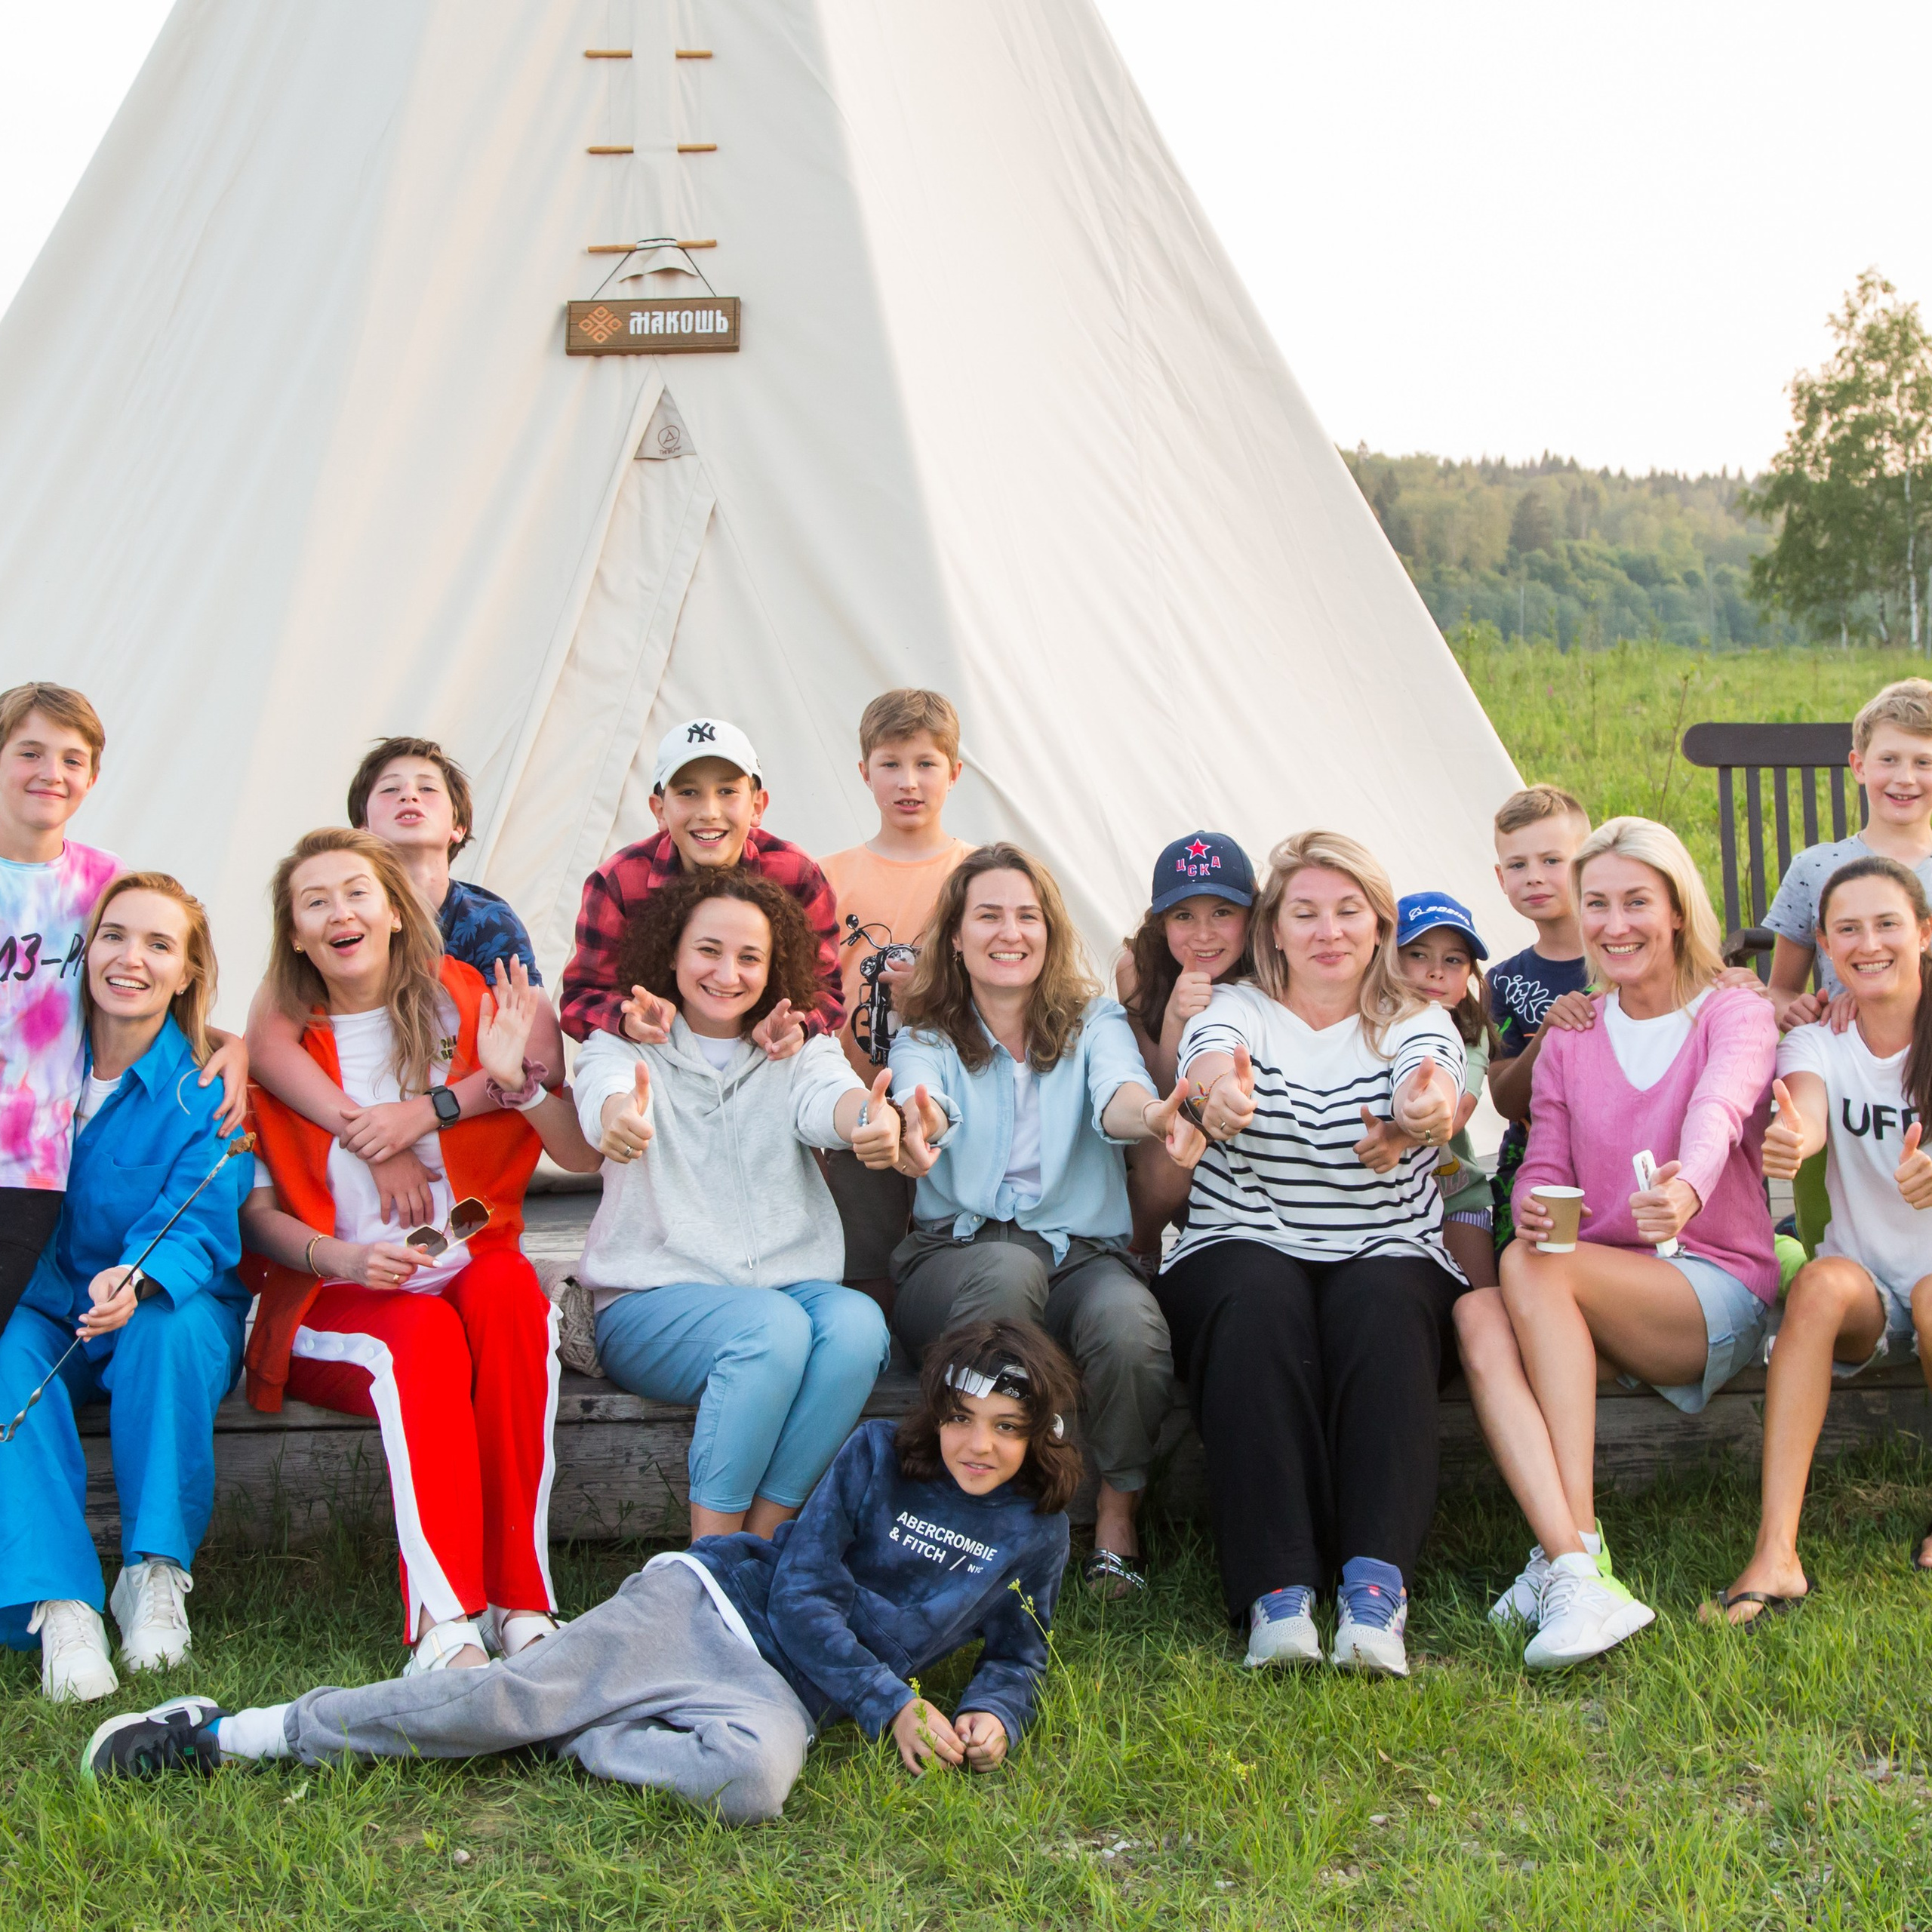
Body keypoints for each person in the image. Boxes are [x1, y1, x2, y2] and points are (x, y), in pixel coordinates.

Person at [83, 1321, 1078, 1829]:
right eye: (960, 1419)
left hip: (783, 1698)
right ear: (936, 1415)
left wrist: (1000, 1712)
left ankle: (570, 1724)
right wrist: (891, 1705)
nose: (976, 1444)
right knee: (497, 1703)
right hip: (716, 1611)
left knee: (749, 1790)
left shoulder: (1035, 1528)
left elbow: (1018, 1652)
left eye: (1003, 1427)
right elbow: (801, 1592)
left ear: (1036, 1435)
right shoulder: (875, 1457)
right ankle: (235, 1735)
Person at [239, 829, 601, 1674]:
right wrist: (343, 1258)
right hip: (339, 1292)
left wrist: (521, 1080)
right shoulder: (284, 1044)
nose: (341, 912)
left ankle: (522, 1600)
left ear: (395, 912)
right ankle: (444, 1622)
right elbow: (256, 1220)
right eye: (315, 901)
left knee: (514, 1297)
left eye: (358, 892)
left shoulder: (464, 999)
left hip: (465, 1261)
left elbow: (580, 1154)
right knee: (420, 1338)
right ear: (294, 934)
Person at [1457, 816, 1777, 1669]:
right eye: (1595, 903)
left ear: (1676, 910)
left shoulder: (1734, 1006)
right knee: (1479, 1314)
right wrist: (1530, 1202)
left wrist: (1683, 1188)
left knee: (1528, 1271)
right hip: (1587, 1282)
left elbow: (1720, 1107)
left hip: (1709, 1286)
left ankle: (1576, 1549)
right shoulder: (1574, 1032)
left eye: (1637, 901)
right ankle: (1569, 1560)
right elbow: (1547, 1156)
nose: (1615, 923)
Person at [1153, 831, 1465, 1677]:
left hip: (1385, 1241)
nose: (1328, 930)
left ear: (1377, 925)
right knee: (1255, 1297)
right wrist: (1221, 1095)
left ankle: (1374, 1589)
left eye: (1347, 911)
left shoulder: (1415, 1018)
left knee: (1383, 1303)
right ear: (1275, 931)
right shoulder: (1238, 1008)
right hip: (1240, 1236)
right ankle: (1277, 1591)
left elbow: (1428, 1080)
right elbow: (1211, 1060)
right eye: (1305, 913)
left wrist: (1420, 1112)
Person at [887, 843, 1204, 1596]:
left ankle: (1116, 1518)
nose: (1010, 931)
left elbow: (1119, 1093)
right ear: (956, 937)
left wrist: (1154, 1113)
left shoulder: (1094, 1020)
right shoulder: (926, 1033)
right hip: (955, 1257)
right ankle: (986, 1519)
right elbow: (923, 1099)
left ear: (1051, 931)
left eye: (1027, 915)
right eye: (988, 914)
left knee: (1129, 1325)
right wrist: (919, 1121)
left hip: (1078, 1255)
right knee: (1006, 1267)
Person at [571, 869, 897, 1540]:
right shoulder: (624, 1044)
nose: (728, 972)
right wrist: (615, 1119)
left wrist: (866, 1118)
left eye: (750, 957)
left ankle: (763, 1542)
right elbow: (602, 1092)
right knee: (769, 1330)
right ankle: (710, 1557)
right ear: (672, 954)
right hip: (651, 1300)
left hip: (783, 1290)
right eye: (708, 951)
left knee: (860, 1327)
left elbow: (826, 1101)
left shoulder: (796, 1046)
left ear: (775, 968)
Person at [0, 874, 254, 1702]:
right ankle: (61, 1598)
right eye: (113, 935)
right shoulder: (30, 1065)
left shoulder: (204, 1089)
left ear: (186, 972)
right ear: (85, 949)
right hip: (47, 1301)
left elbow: (206, 1212)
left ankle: (152, 1571)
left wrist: (139, 1273)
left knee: (165, 1331)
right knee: (6, 1355)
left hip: (169, 1303)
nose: (130, 958)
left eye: (158, 944)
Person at [1712, 857, 1932, 1619]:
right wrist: (1793, 1136)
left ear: (1924, 933)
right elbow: (1799, 1107)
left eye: (1886, 924)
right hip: (1866, 1288)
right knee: (1815, 1282)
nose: (1868, 943)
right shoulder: (1821, 1039)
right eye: (1847, 929)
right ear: (1826, 948)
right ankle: (1775, 1551)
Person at [245, 737, 568, 1232]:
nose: (409, 797)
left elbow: (542, 1053)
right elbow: (268, 1045)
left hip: (463, 1162)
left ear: (459, 826)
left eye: (427, 789)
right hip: (353, 1172)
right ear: (361, 831)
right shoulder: (331, 919)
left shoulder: (484, 922)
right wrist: (374, 1141)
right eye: (390, 790)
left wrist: (425, 1114)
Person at [0, 683, 245, 1329]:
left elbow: (144, 985)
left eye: (71, 759)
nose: (51, 773)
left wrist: (232, 1045)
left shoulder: (99, 880)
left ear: (92, 776)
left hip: (28, 1170)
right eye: (29, 752)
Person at [819, 690, 973, 1312]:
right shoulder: (826, 877)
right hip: (859, 1106)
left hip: (959, 1105)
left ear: (954, 772)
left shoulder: (978, 874)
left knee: (953, 1254)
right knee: (866, 1260)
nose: (908, 782)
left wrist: (933, 992)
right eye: (890, 764)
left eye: (926, 763)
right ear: (864, 772)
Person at [559, 718, 842, 1051]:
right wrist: (626, 1017)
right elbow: (581, 997)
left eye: (727, 792)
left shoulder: (798, 876)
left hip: (765, 1060)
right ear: (660, 810)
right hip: (654, 1058)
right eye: (688, 793)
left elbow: (827, 993)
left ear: (757, 806)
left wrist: (797, 1026)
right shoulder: (618, 882)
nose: (709, 811)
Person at [1115, 832, 1257, 1262]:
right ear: (1160, 921)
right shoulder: (1139, 966)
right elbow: (1157, 1096)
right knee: (1171, 1150)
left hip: (1257, 1133)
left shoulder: (1277, 961)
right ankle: (1138, 1251)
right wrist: (1175, 1018)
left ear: (1252, 916)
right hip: (1174, 1125)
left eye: (1222, 912)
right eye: (1183, 916)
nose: (1203, 935)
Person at [1764, 679, 1932, 1032]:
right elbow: (1781, 989)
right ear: (1859, 766)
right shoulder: (1815, 867)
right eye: (1889, 760)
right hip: (1843, 1056)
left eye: (1924, 762)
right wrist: (1792, 1010)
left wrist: (1876, 996)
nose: (1905, 778)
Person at [1484, 785, 1595, 1252]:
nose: (1533, 877)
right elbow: (1506, 1101)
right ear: (1500, 876)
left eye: (1552, 861)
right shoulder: (1503, 981)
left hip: (1621, 1157)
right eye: (1517, 865)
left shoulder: (1627, 960)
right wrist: (1545, 1036)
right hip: (1530, 1162)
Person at [1391, 892, 1500, 1290]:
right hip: (1378, 1204)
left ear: (1470, 973)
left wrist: (1394, 1134)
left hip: (1455, 1195)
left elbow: (1454, 1118)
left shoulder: (1470, 1034)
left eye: (1453, 960)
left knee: (1482, 1301)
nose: (1436, 972)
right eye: (1418, 955)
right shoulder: (1364, 1023)